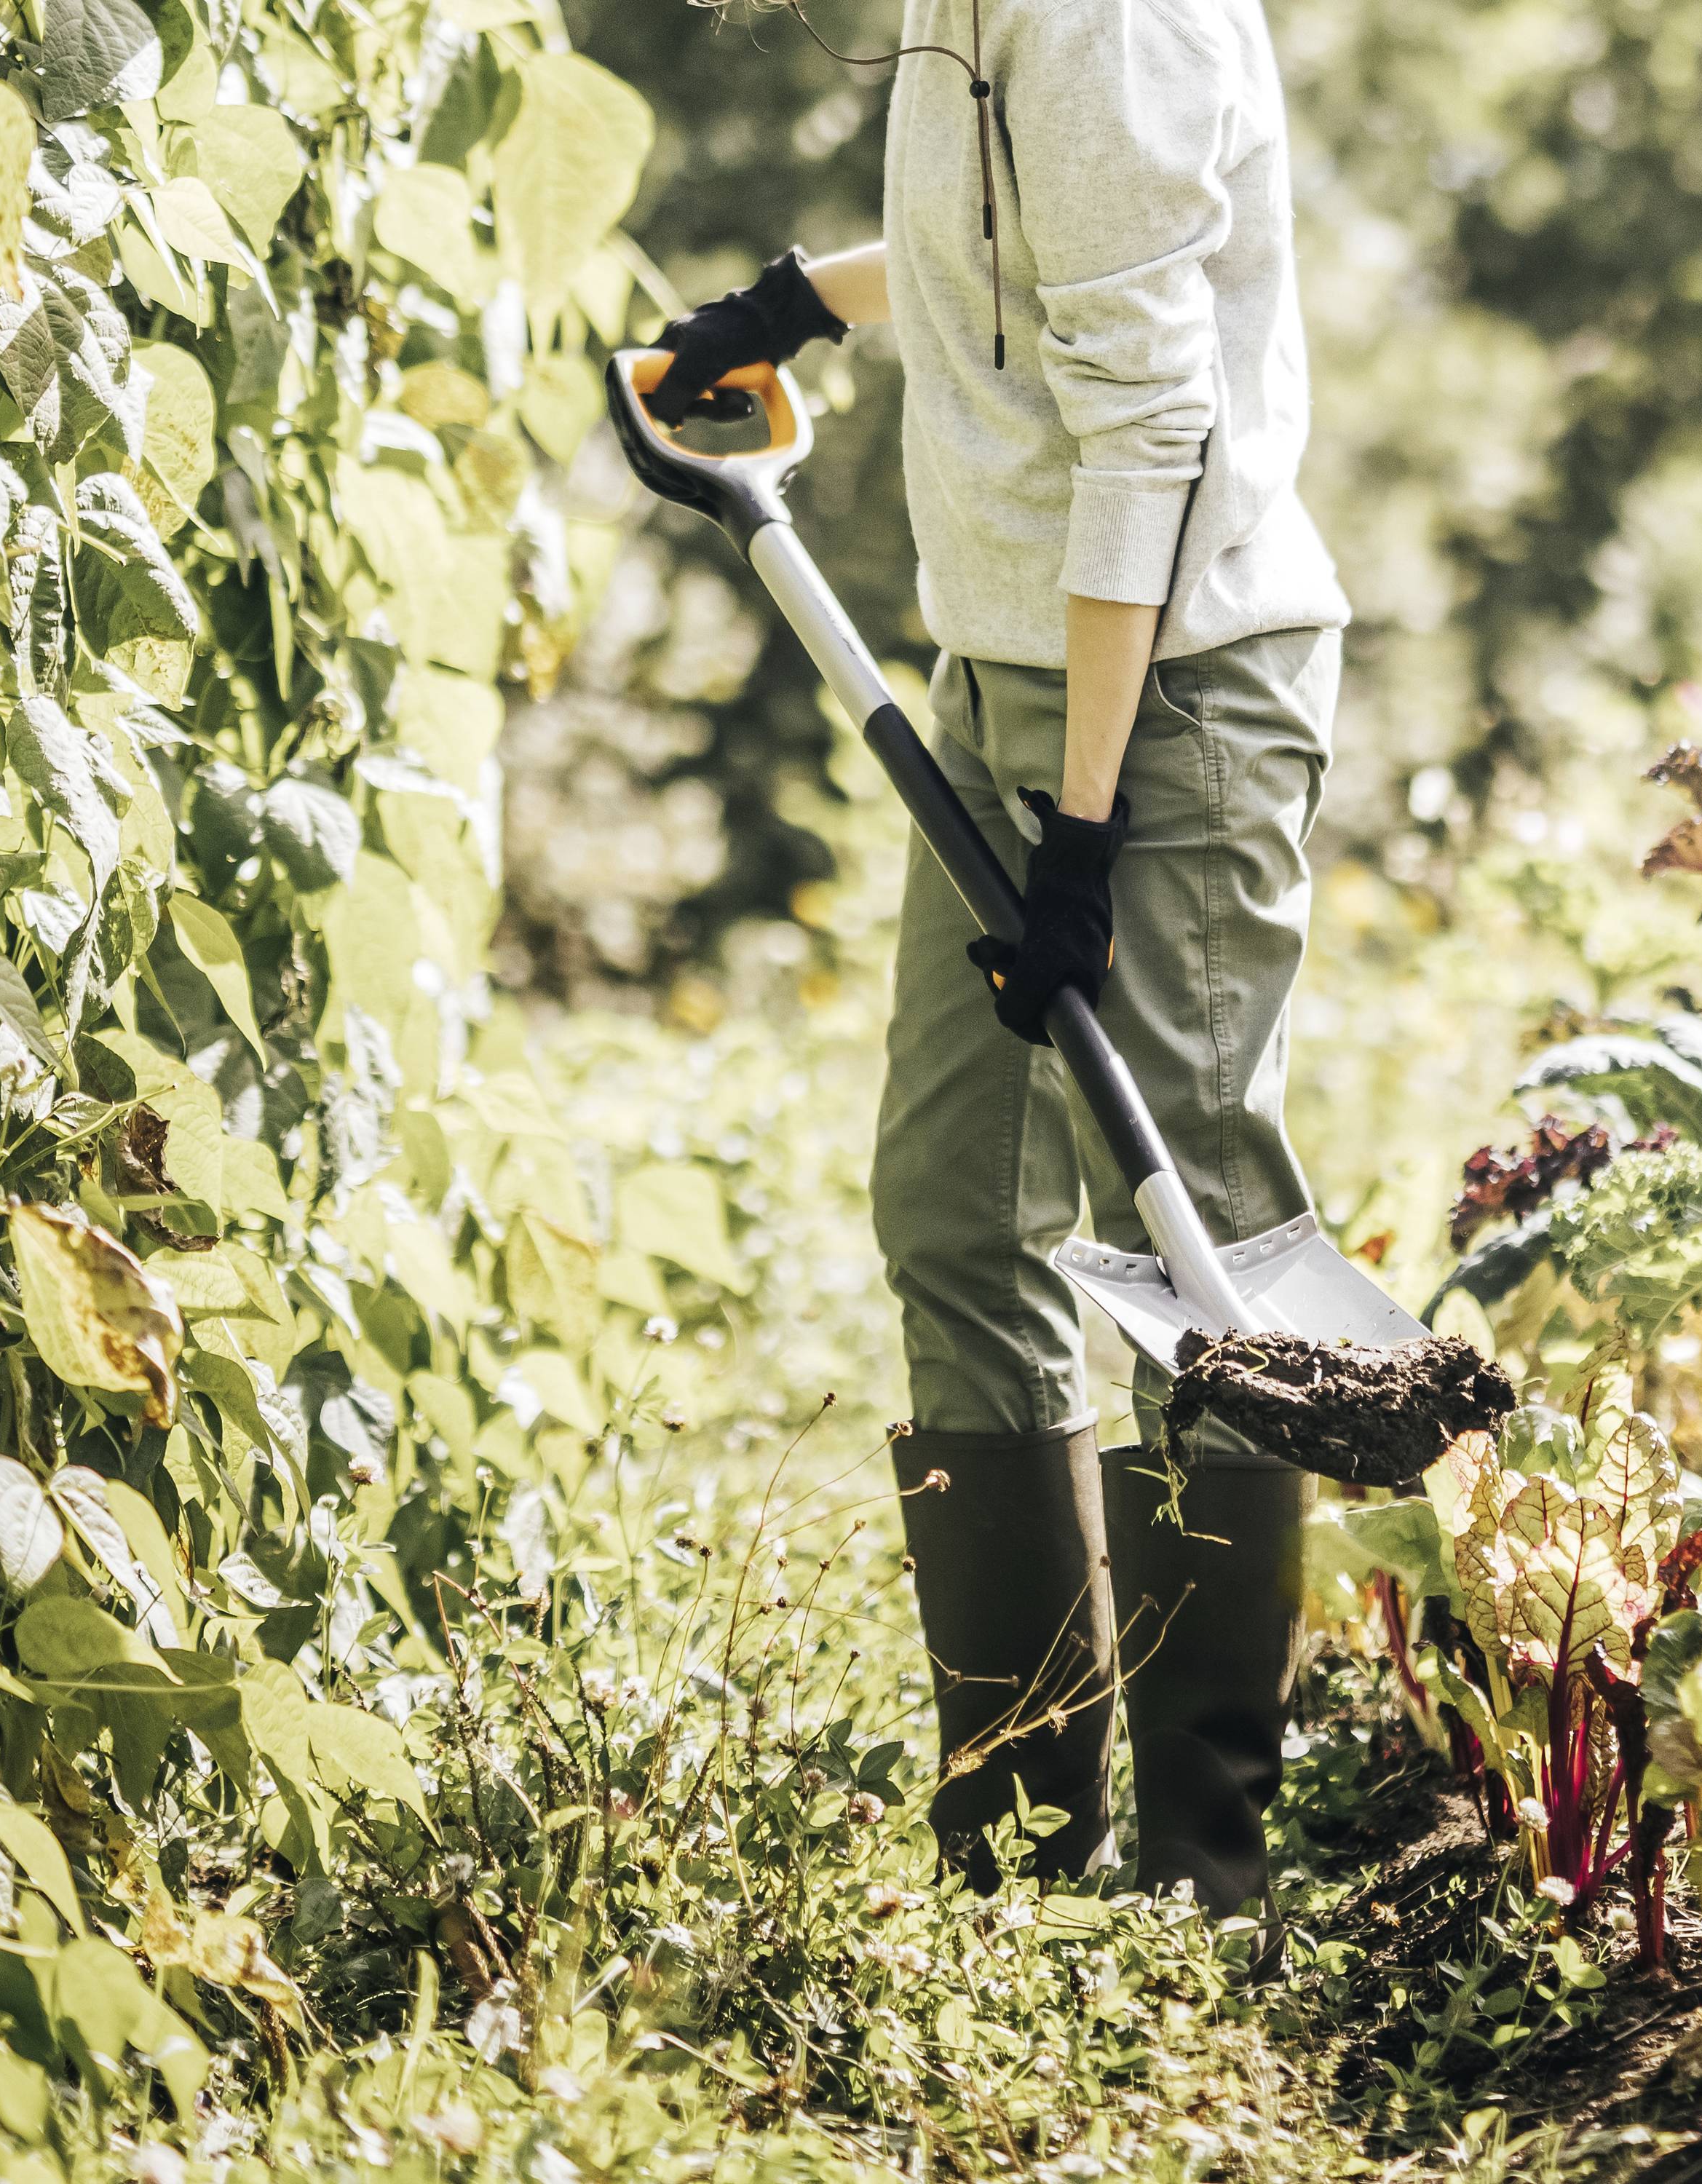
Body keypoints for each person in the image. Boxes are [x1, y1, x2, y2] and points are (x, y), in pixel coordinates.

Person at [649, 0, 1349, 1958]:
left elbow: (1153, 419)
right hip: (1005, 676)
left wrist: (1088, 833)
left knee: (1192, 1235)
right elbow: (1013, 271)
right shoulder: (971, 16)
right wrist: (804, 298)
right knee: (959, 1212)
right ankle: (1020, 1855)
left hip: (1180, 700)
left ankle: (1213, 1881)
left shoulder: (1107, 22)